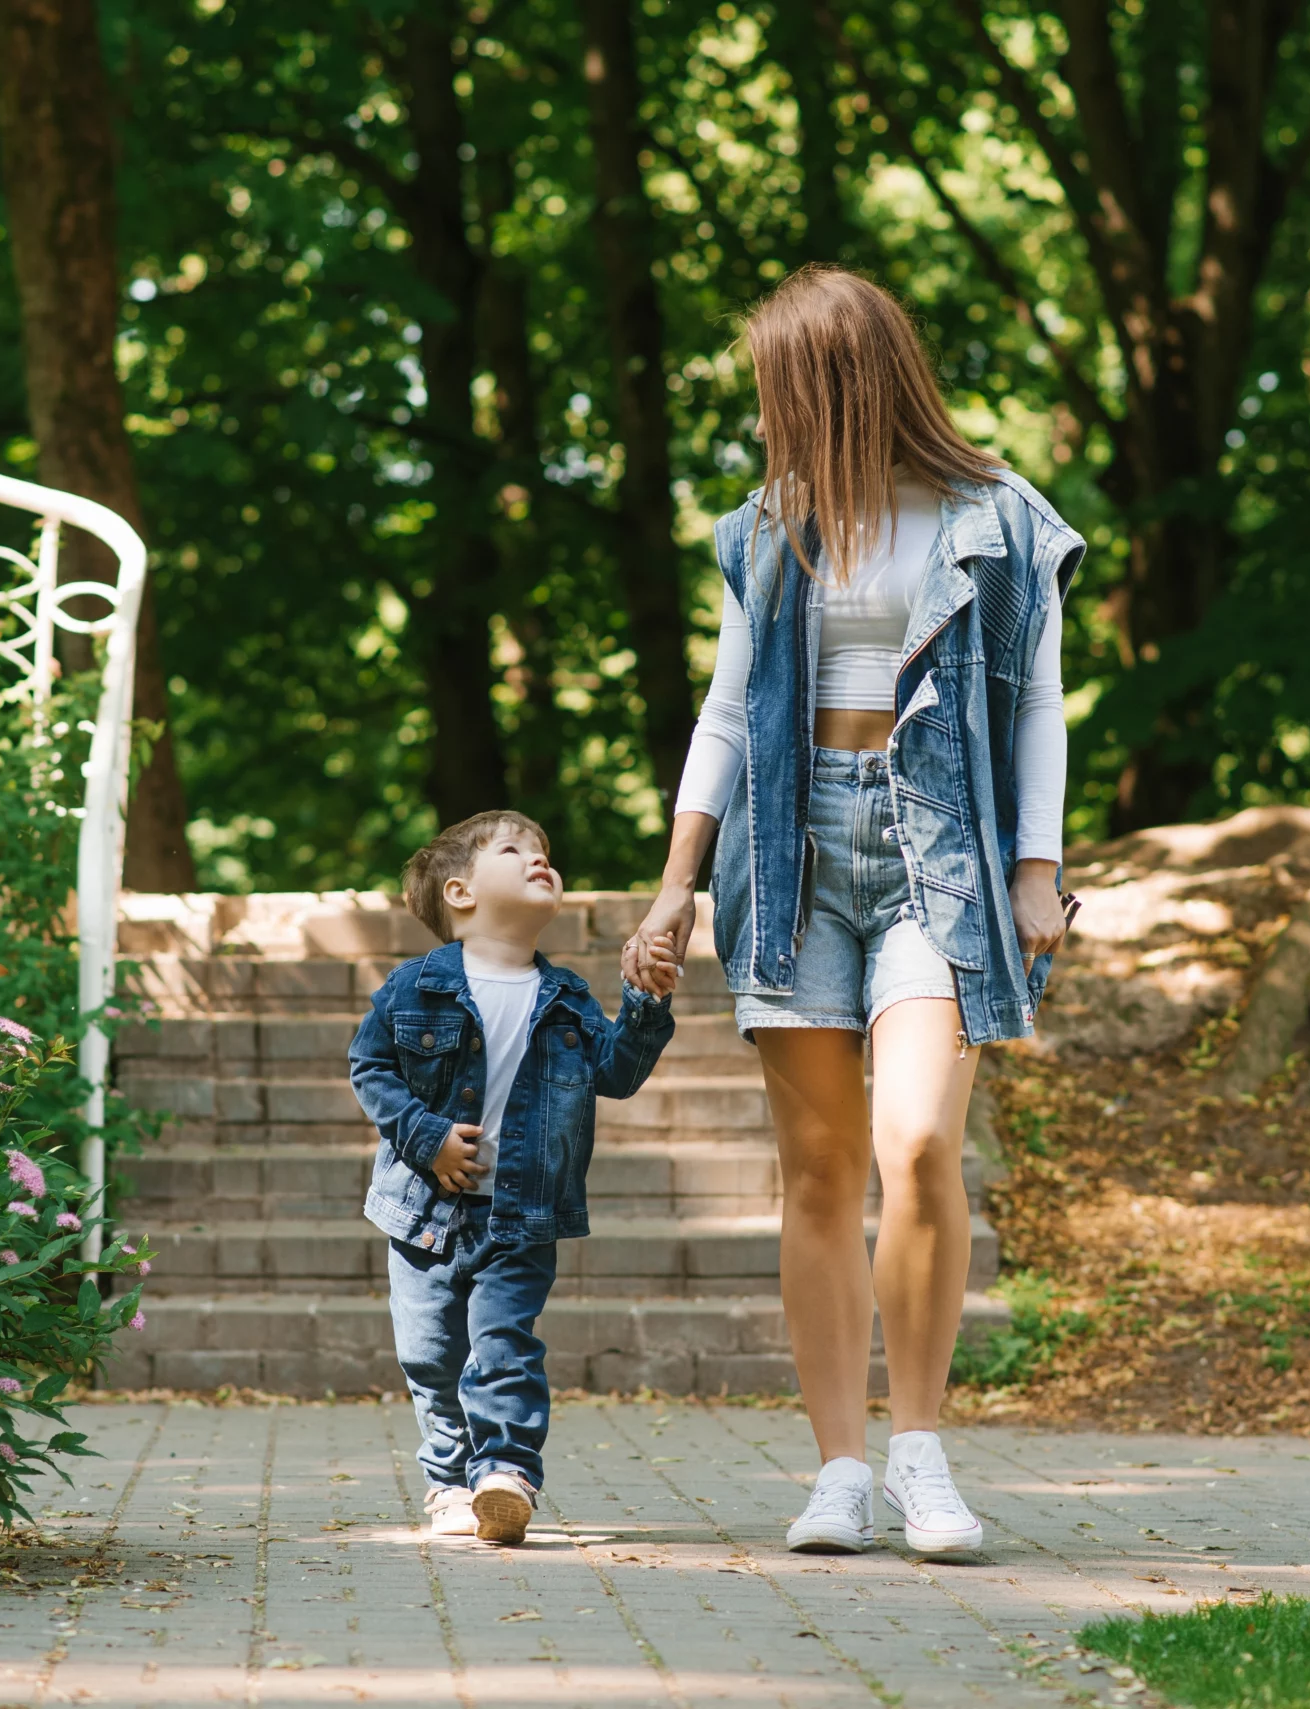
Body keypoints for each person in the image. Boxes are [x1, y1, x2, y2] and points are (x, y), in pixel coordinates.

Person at [625, 265, 1079, 1556]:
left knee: (919, 1140)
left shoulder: (998, 518)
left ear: (833, 382)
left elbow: (1035, 701)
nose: (764, 417)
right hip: (792, 849)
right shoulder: (772, 526)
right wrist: (676, 879)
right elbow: (725, 712)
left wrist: (1037, 867)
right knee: (818, 1172)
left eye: (776, 390)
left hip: (941, 842)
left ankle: (922, 1455)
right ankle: (839, 1470)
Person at [351, 811, 676, 1545]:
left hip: (522, 1211)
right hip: (426, 1210)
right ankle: (448, 1482)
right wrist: (427, 1136)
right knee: (431, 1353)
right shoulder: (415, 986)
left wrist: (646, 1001)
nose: (540, 859)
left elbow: (616, 1074)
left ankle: (504, 1474)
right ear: (461, 892)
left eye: (545, 851)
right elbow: (370, 1066)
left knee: (502, 1341)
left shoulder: (565, 997)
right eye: (515, 849)